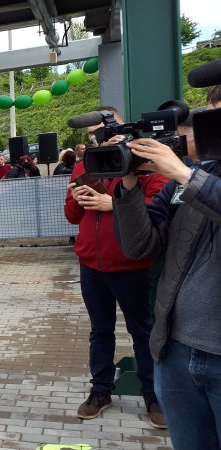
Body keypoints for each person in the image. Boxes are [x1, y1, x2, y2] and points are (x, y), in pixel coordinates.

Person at [112, 80, 221, 448]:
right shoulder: (188, 181)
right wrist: (129, 182)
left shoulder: (190, 178)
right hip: (176, 351)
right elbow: (140, 245)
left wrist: (184, 173)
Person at [65, 105, 168, 429]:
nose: (97, 138)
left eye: (103, 130)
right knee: (100, 332)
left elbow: (161, 206)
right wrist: (76, 198)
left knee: (143, 333)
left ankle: (154, 397)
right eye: (91, 134)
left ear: (121, 128)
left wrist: (113, 204)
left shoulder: (143, 161)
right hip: (91, 265)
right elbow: (71, 216)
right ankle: (100, 392)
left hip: (131, 264)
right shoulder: (82, 165)